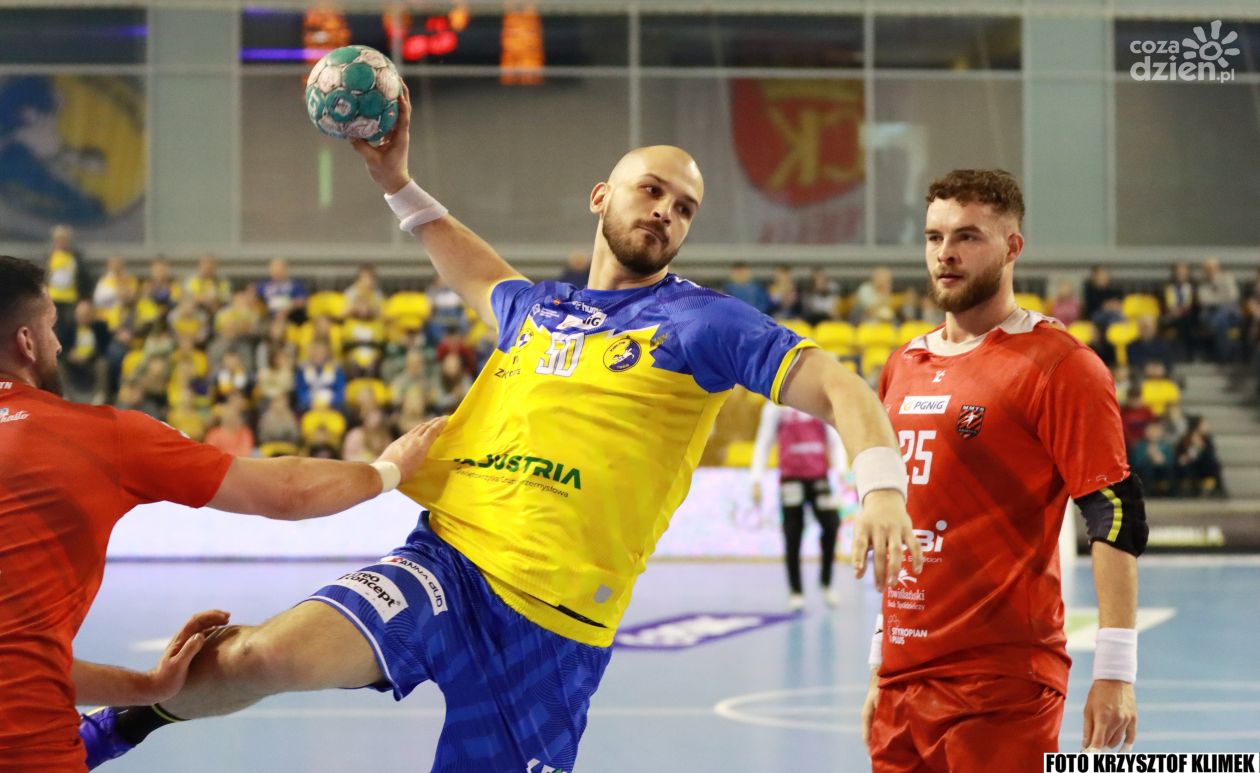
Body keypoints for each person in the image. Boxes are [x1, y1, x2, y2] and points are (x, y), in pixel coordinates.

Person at [82, 86, 921, 772]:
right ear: (602, 196)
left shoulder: (702, 322)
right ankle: (98, 737)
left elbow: (840, 384)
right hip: (446, 561)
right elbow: (469, 263)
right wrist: (395, 182)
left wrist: (881, 489)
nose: (665, 211)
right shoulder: (538, 308)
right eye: (651, 190)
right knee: (256, 655)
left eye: (684, 207)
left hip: (554, 629)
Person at [0, 255, 445, 771]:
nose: (58, 344)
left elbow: (20, 650)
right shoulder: (98, 436)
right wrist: (389, 470)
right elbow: (286, 492)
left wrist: (148, 689)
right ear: (27, 341)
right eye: (53, 327)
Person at [861, 170, 1148, 771]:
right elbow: (905, 522)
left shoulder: (1060, 364)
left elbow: (1115, 511)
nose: (945, 253)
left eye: (967, 236)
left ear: (1013, 247)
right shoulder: (902, 365)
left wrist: (1116, 670)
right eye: (934, 236)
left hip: (1001, 684)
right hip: (901, 682)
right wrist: (879, 661)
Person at [750, 400, 846, 611]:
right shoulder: (775, 407)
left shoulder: (817, 401)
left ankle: (826, 582)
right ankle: (796, 591)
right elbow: (764, 442)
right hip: (790, 479)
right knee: (792, 534)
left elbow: (834, 438)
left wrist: (841, 470)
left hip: (818, 477)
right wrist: (756, 478)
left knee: (831, 525)